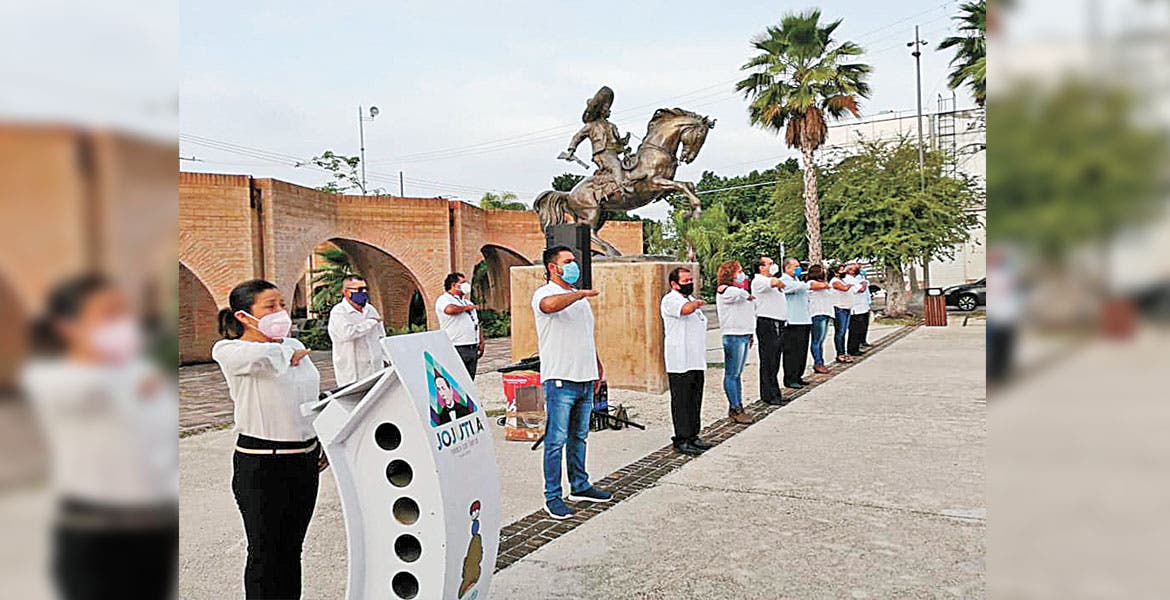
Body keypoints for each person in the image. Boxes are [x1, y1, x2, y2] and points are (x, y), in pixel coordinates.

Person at [22, 274, 178, 600]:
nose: (123, 324)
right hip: (93, 526)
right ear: (67, 326)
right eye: (109, 315)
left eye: (125, 313)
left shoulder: (141, 374)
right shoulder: (51, 379)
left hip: (153, 523)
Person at [212, 279, 326, 600]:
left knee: (291, 550)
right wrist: (287, 351)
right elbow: (263, 358)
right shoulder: (230, 351)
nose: (280, 312)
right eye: (270, 306)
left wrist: (321, 439)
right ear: (244, 316)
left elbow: (307, 398)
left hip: (303, 461)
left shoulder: (292, 345)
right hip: (263, 464)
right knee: (265, 552)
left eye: (282, 305)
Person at [532, 245, 612, 519]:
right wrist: (579, 294)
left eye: (574, 260)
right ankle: (552, 496)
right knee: (556, 440)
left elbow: (585, 335)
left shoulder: (579, 299)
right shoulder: (544, 293)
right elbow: (548, 307)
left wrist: (596, 365)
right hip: (560, 379)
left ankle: (580, 485)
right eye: (568, 261)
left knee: (579, 436)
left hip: (584, 377)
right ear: (553, 267)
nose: (574, 265)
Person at [661, 267, 713, 455]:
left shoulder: (689, 298)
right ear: (674, 284)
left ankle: (693, 435)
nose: (690, 283)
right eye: (685, 281)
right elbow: (684, 310)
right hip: (680, 360)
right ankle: (681, 439)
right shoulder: (671, 300)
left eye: (691, 280)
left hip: (695, 358)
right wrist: (697, 303)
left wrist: (695, 303)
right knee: (682, 401)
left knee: (695, 399)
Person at [565, 85, 632, 198]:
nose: (608, 110)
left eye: (608, 108)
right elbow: (577, 137)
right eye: (606, 108)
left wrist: (625, 140)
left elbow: (618, 141)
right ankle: (622, 187)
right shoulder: (591, 126)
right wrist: (571, 150)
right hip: (602, 154)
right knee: (616, 166)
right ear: (600, 111)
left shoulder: (612, 126)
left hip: (614, 152)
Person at [714, 261, 755, 425]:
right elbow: (737, 293)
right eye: (739, 271)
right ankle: (734, 407)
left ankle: (739, 404)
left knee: (737, 374)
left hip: (743, 333)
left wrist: (750, 333)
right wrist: (745, 293)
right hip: (733, 335)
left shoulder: (737, 291)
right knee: (732, 373)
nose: (742, 274)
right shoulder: (727, 291)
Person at [327, 275, 386, 387]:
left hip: (376, 368)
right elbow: (347, 334)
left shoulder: (370, 309)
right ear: (346, 292)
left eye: (365, 289)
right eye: (359, 289)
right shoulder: (339, 312)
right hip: (353, 371)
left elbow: (381, 336)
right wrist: (370, 322)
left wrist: (385, 358)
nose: (363, 292)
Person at [751, 255, 787, 405]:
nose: (773, 266)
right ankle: (769, 394)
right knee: (769, 359)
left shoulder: (768, 280)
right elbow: (777, 282)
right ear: (761, 267)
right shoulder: (759, 281)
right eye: (770, 264)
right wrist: (778, 281)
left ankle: (775, 392)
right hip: (767, 322)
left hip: (778, 321)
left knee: (775, 359)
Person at [435, 272, 485, 380]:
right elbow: (450, 310)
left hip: (472, 346)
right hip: (457, 346)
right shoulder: (444, 299)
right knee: (457, 379)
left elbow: (476, 323)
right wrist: (466, 308)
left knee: (469, 379)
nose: (466, 285)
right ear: (453, 285)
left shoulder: (467, 302)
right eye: (462, 282)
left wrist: (481, 341)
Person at [779, 258, 812, 389]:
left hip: (804, 319)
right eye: (795, 266)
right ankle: (790, 378)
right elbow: (789, 289)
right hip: (792, 321)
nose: (798, 269)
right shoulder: (784, 281)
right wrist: (807, 284)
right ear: (787, 268)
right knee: (792, 352)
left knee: (802, 351)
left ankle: (798, 375)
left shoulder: (797, 280)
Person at [806, 264, 835, 374]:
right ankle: (818, 363)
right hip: (817, 314)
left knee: (821, 340)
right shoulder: (811, 283)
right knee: (816, 340)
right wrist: (826, 283)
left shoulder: (823, 283)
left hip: (826, 313)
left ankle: (820, 361)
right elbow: (823, 286)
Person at [830, 264, 854, 363]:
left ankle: (844, 351)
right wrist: (851, 284)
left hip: (846, 308)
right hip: (839, 308)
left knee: (844, 332)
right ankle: (840, 353)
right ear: (836, 272)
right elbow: (844, 288)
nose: (844, 272)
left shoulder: (843, 280)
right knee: (840, 332)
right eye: (841, 270)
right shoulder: (835, 281)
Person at [846, 264, 871, 357]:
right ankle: (852, 349)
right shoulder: (848, 279)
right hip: (855, 308)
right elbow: (861, 289)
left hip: (863, 306)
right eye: (854, 268)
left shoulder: (859, 277)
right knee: (855, 330)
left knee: (861, 328)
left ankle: (858, 346)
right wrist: (864, 283)